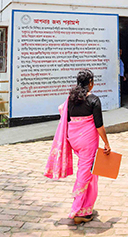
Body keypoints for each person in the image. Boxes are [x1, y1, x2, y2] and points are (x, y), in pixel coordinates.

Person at [45, 69, 111, 224]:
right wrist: (107, 143)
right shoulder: (93, 100)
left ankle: (86, 208)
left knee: (89, 170)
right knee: (85, 172)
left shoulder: (70, 100)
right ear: (90, 83)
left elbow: (66, 119)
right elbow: (99, 125)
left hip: (74, 139)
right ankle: (77, 210)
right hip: (88, 141)